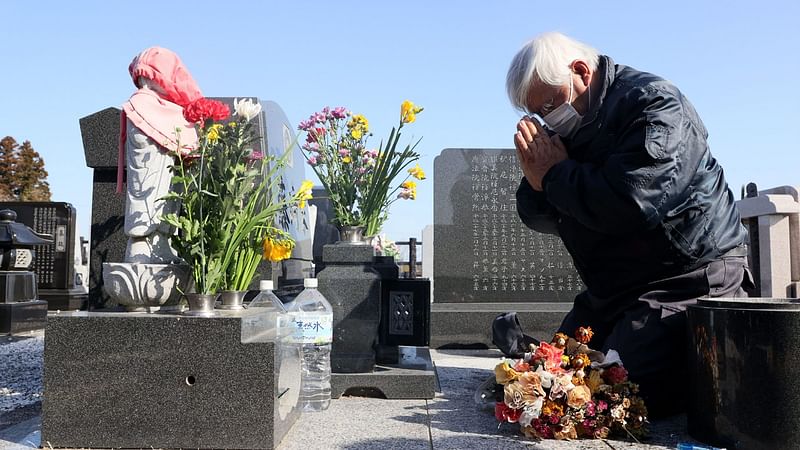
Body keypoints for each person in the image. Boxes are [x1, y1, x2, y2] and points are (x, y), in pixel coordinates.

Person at [507, 32, 752, 418]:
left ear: (581, 73)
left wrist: (553, 178)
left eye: (550, 104)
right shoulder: (568, 127)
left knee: (614, 389)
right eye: (538, 113)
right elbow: (535, 210)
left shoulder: (654, 105)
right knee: (553, 376)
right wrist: (542, 181)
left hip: (687, 277)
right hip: (616, 288)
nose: (547, 119)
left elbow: (629, 203)